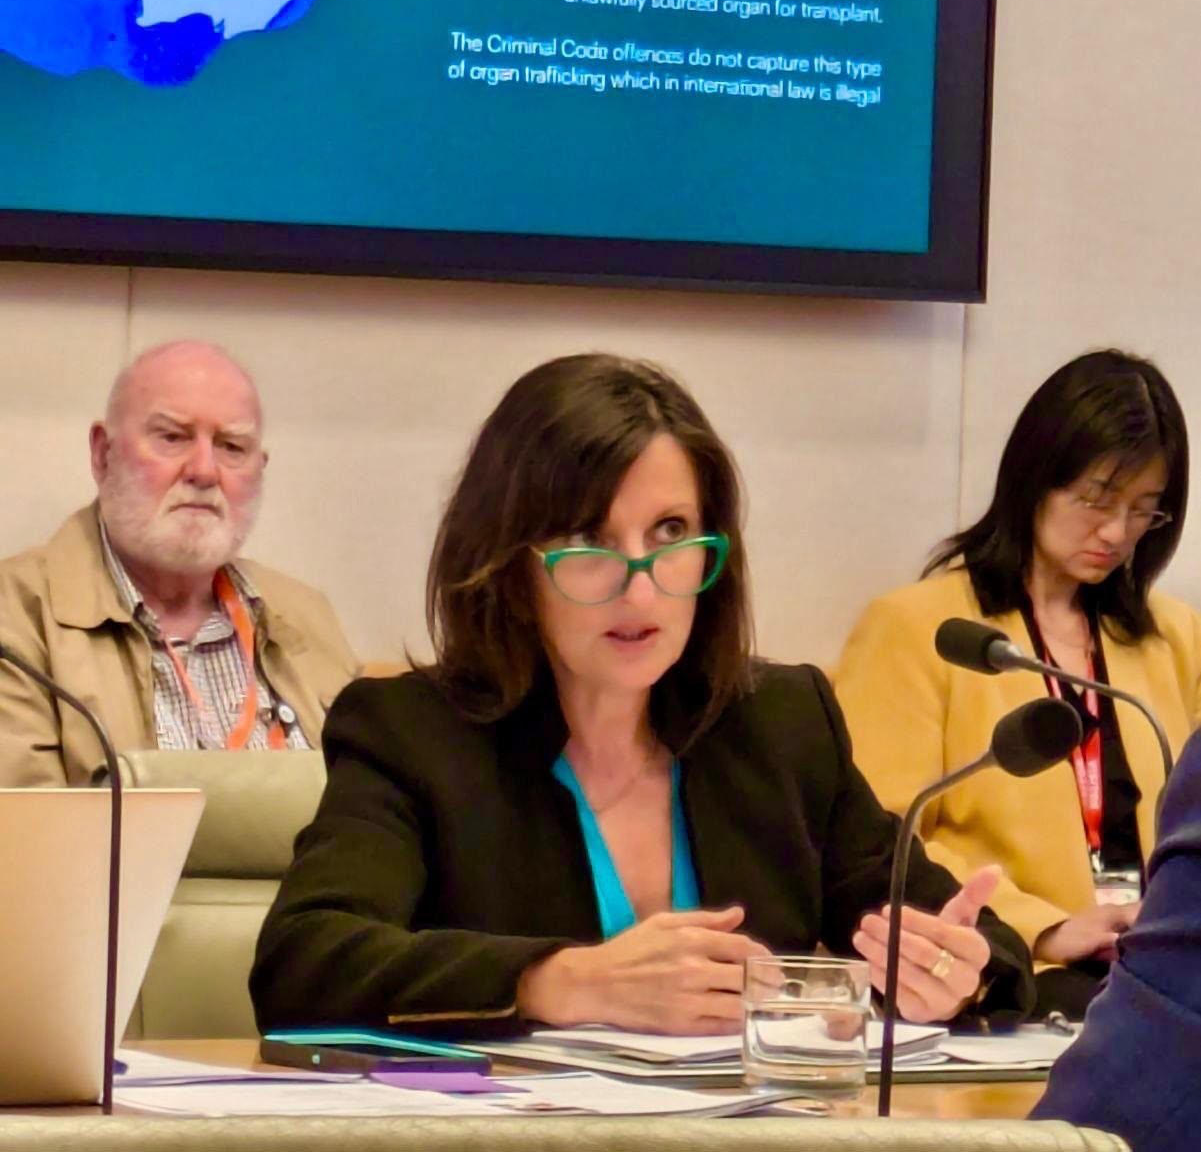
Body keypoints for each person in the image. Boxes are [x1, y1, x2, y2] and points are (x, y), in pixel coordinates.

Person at [251, 352, 1032, 1036]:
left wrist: (956, 972)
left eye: (669, 532)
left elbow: (972, 939)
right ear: (509, 565)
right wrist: (562, 981)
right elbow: (301, 963)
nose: (640, 587)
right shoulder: (411, 734)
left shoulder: (782, 724)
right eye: (589, 540)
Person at [835, 348, 1201, 1017]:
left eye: (1144, 510)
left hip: (1157, 975)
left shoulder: (1174, 637)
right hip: (1015, 980)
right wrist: (1045, 926)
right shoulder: (921, 629)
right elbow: (877, 842)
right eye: (1096, 499)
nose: (1116, 531)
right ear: (1034, 478)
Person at [0, 340, 358, 786]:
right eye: (172, 437)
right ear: (103, 454)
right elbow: (27, 822)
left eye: (232, 447)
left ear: (259, 469)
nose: (204, 471)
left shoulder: (306, 616)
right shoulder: (16, 617)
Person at [1030, 722, 1201, 1149]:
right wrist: (1042, 928)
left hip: (1132, 986)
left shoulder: (1164, 675)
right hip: (1030, 979)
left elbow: (1128, 1101)